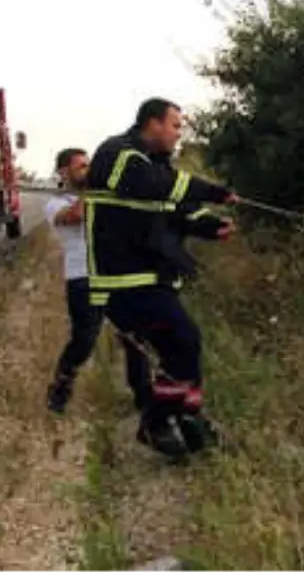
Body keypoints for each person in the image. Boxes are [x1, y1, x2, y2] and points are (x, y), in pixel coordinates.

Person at [86, 98, 237, 459]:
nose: (178, 134)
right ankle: (157, 423)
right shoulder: (118, 155)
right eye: (175, 126)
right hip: (124, 282)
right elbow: (158, 186)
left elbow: (177, 210)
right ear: (152, 123)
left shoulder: (155, 165)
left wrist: (210, 224)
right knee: (184, 341)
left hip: (151, 278)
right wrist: (215, 191)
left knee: (180, 352)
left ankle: (186, 422)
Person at [44, 148, 151, 415]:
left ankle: (143, 394)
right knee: (85, 339)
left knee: (135, 336)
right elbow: (75, 217)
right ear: (63, 172)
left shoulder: (102, 196)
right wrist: (92, 191)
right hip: (82, 276)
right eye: (81, 167)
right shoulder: (55, 204)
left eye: (89, 166)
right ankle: (62, 383)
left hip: (114, 274)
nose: (87, 171)